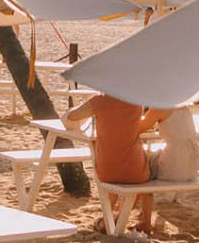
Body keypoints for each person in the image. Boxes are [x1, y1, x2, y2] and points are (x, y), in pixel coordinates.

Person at [63, 93, 167, 234]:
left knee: (119, 174)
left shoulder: (99, 101)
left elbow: (72, 116)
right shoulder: (136, 102)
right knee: (143, 176)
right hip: (136, 171)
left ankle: (108, 219)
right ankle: (142, 221)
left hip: (107, 170)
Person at [155, 104, 199, 182]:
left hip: (176, 157)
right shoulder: (184, 106)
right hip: (192, 155)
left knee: (146, 163)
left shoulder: (159, 108)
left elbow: (140, 128)